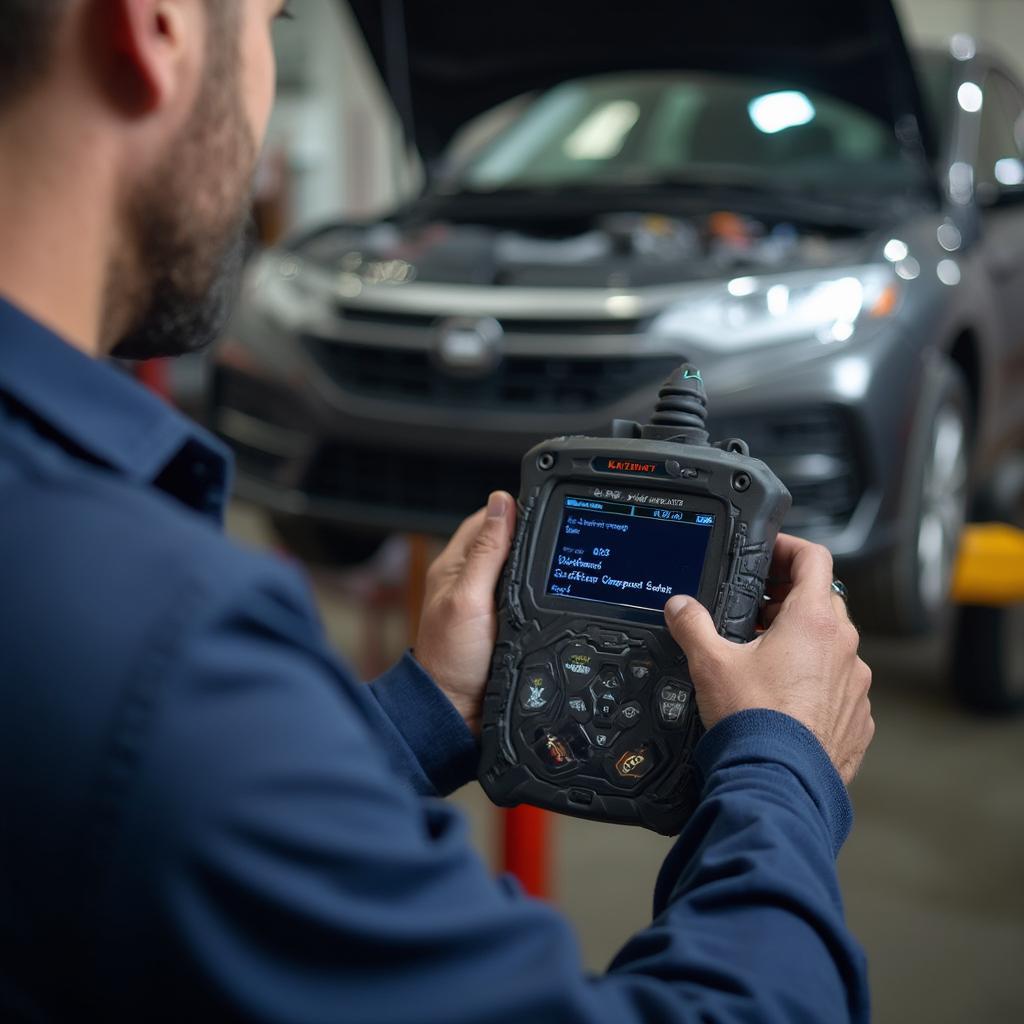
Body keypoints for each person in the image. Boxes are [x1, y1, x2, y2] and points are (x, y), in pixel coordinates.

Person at [0, 2, 875, 1021]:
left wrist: (432, 711)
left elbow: (137, 838)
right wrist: (782, 766)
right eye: (270, 26)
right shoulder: (153, 639)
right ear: (156, 26)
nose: (265, 98)